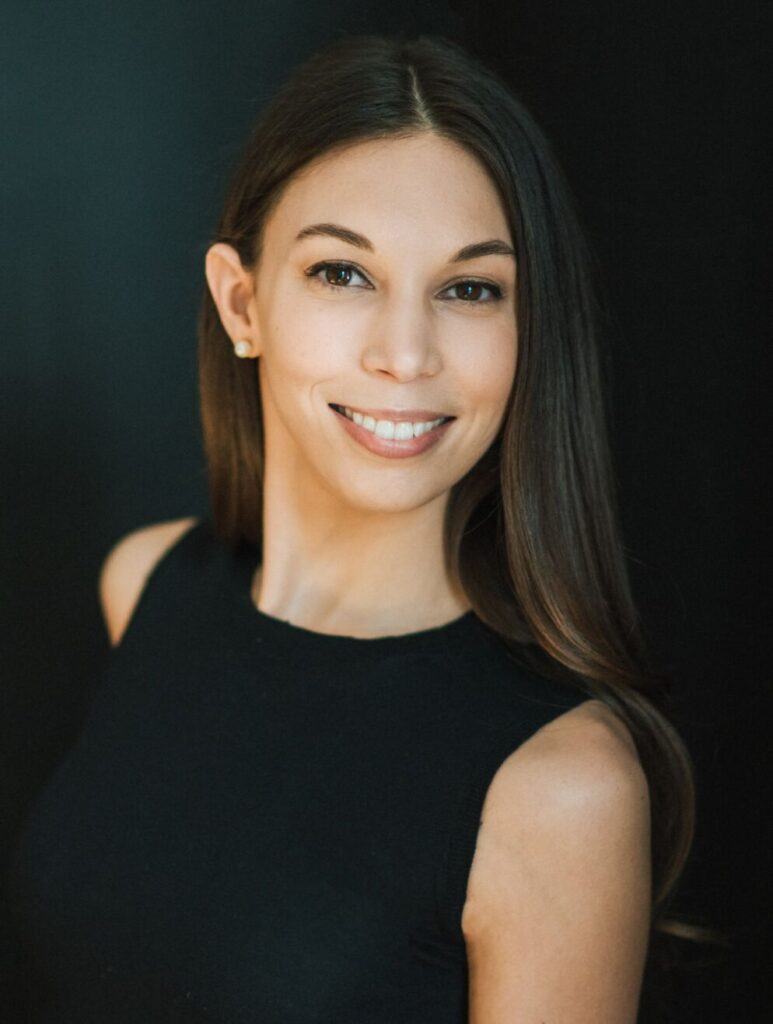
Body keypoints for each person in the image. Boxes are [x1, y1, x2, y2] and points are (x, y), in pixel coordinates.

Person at [7, 32, 695, 1022]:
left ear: (528, 329)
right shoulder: (145, 583)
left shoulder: (558, 784)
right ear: (243, 303)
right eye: (342, 273)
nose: (404, 354)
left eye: (469, 289)